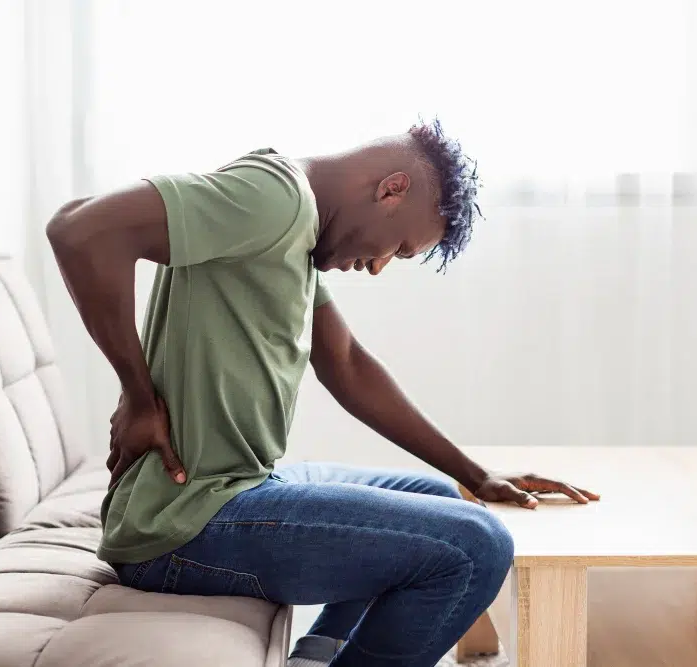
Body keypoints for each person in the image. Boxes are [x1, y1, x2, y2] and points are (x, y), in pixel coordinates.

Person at [47, 118, 599, 667]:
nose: (378, 267)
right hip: (186, 522)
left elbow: (347, 364)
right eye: (399, 247)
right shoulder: (274, 198)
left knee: (440, 495)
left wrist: (478, 476)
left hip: (238, 487)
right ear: (392, 189)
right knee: (477, 546)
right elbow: (78, 229)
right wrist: (138, 395)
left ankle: (316, 656)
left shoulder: (296, 227)